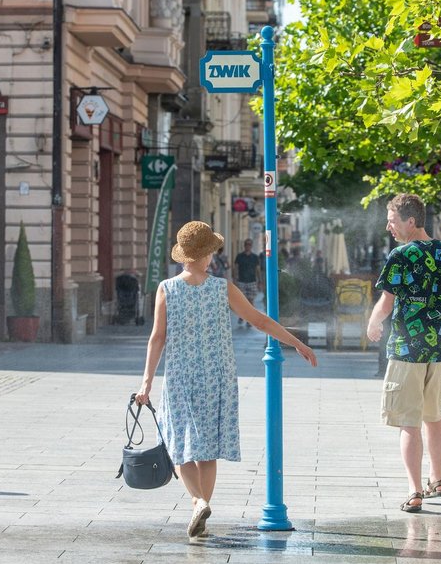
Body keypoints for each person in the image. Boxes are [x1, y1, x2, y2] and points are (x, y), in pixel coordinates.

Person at [135, 221, 317, 538]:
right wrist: (296, 343)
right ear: (207, 255)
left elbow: (157, 338)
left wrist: (146, 383)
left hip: (180, 375)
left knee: (179, 445)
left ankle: (197, 501)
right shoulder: (222, 288)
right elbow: (260, 320)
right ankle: (202, 506)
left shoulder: (167, 288)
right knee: (208, 449)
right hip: (216, 376)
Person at [366, 194, 441, 513]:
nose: (388, 226)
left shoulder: (400, 255)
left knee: (408, 422)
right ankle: (437, 478)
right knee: (434, 414)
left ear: (410, 221)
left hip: (406, 351)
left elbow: (386, 303)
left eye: (392, 219)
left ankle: (415, 490)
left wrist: (373, 323)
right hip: (440, 349)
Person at [233, 238, 261, 326]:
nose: (248, 246)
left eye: (249, 244)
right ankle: (242, 316)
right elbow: (236, 268)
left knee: (251, 301)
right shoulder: (239, 256)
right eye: (246, 244)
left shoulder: (255, 257)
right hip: (241, 281)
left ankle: (249, 320)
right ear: (244, 245)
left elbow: (258, 269)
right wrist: (235, 279)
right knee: (242, 301)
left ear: (251, 246)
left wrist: (260, 281)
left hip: (252, 281)